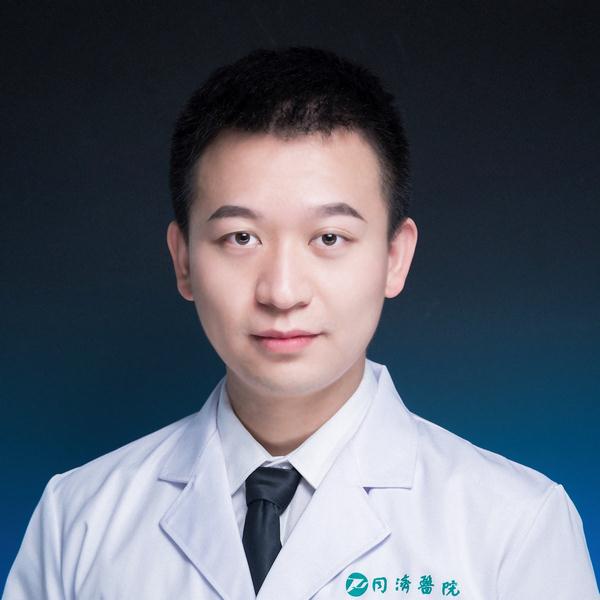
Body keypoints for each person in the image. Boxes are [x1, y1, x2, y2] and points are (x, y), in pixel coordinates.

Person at [3, 46, 598, 600]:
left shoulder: (516, 526)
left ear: (395, 257)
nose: (282, 292)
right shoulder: (78, 518)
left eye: (329, 238)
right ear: (183, 260)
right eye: (241, 237)